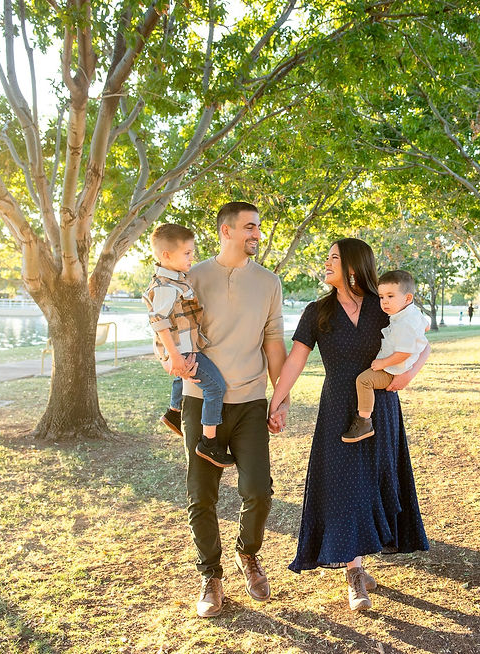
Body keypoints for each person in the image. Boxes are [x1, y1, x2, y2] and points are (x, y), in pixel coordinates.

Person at [268, 238, 430, 612]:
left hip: (380, 406)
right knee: (344, 485)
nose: (326, 262)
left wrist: (407, 377)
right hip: (337, 409)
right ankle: (354, 571)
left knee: (373, 482)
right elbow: (295, 360)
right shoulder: (317, 311)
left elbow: (422, 343)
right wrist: (276, 402)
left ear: (354, 266)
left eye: (334, 258)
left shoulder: (384, 305)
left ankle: (362, 558)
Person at [166, 202, 288, 618]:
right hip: (201, 402)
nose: (257, 233)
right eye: (250, 227)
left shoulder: (269, 282)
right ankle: (210, 575)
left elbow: (273, 340)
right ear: (226, 231)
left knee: (258, 490)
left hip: (251, 401)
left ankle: (247, 554)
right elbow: (165, 328)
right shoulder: (191, 277)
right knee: (201, 496)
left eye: (258, 227)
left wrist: (280, 396)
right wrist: (168, 361)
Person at [143, 223, 231, 468]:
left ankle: (174, 410)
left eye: (192, 252)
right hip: (181, 352)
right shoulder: (165, 287)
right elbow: (158, 321)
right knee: (215, 388)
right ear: (166, 255)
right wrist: (174, 356)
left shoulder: (174, 280)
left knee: (191, 381)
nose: (192, 257)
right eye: (187, 253)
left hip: (183, 348)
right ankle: (209, 443)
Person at [340, 270, 429, 443]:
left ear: (408, 298)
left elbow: (404, 353)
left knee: (364, 381)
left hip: (393, 369)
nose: (384, 302)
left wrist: (383, 363)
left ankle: (364, 421)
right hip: (396, 365)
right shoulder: (411, 314)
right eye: (381, 297)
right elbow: (426, 327)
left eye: (390, 296)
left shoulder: (405, 323)